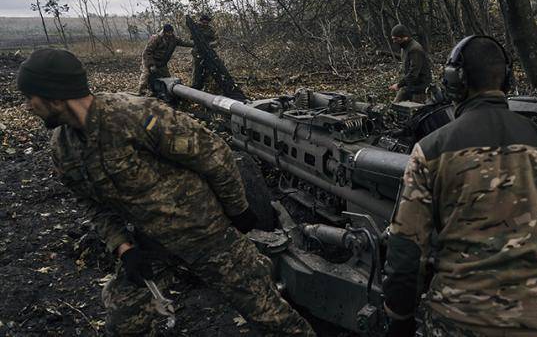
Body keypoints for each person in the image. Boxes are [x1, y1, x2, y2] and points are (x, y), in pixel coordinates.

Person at [18, 48, 316, 337]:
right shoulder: (62, 146)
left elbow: (214, 155)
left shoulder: (136, 116)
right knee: (124, 320)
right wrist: (124, 247)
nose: (27, 107)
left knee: (273, 318)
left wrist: (238, 210)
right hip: (149, 245)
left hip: (206, 236)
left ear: (55, 96)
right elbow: (90, 202)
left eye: (29, 98)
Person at [383, 36, 537, 337]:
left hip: (459, 321)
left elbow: (405, 253)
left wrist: (399, 319)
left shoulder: (431, 150)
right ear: (507, 79)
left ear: (455, 81)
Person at [138, 24, 193, 95]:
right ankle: (142, 90)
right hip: (151, 60)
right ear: (164, 32)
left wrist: (196, 44)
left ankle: (163, 92)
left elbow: (185, 43)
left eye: (171, 32)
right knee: (146, 74)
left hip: (162, 63)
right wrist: (151, 65)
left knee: (167, 79)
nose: (170, 34)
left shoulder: (174, 39)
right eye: (168, 32)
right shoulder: (156, 38)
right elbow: (147, 52)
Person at [387, 24, 432, 103]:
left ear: (404, 37)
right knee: (395, 107)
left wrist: (399, 85)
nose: (394, 42)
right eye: (393, 39)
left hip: (419, 89)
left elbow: (413, 73)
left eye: (396, 39)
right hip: (410, 86)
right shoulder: (404, 48)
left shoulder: (415, 49)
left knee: (416, 112)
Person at [191, 13, 219, 90]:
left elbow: (217, 41)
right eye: (204, 22)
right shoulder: (196, 28)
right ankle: (194, 86)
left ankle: (205, 86)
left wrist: (210, 44)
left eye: (207, 22)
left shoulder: (211, 29)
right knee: (196, 69)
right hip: (197, 52)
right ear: (201, 21)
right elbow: (192, 39)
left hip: (208, 52)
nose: (205, 23)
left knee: (207, 69)